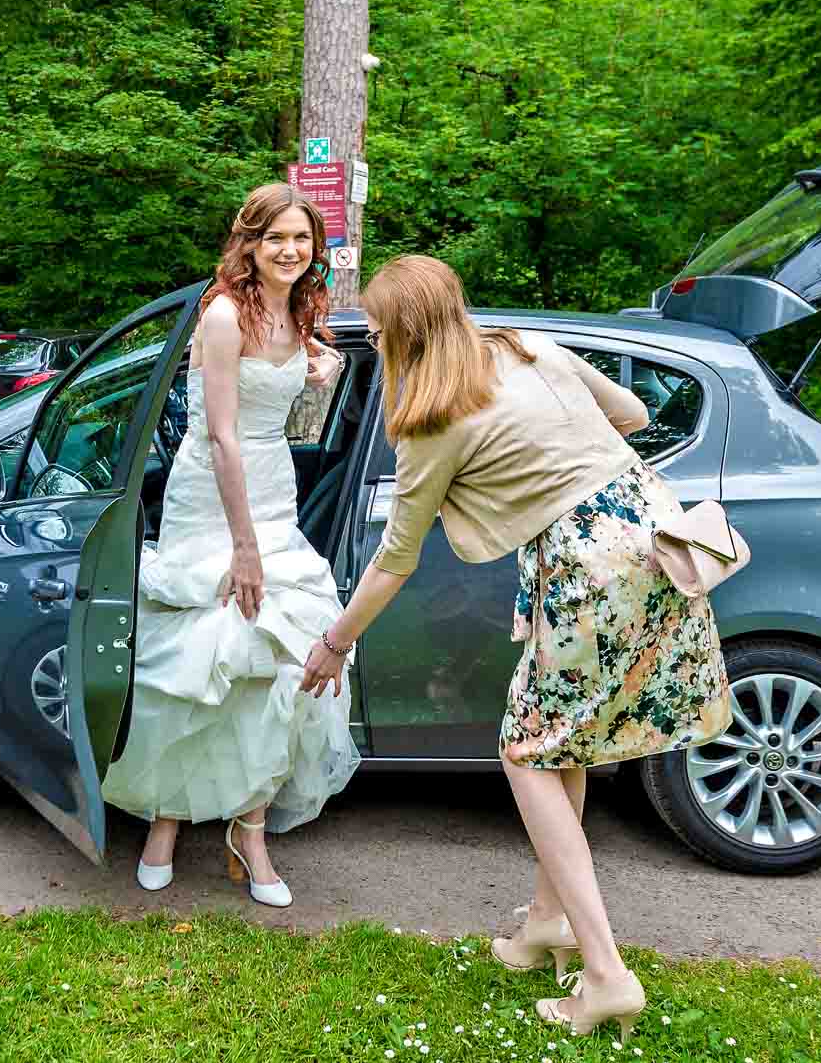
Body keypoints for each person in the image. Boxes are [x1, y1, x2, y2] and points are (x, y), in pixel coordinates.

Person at [299, 255, 731, 1044]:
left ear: (395, 336)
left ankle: (605, 972)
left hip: (585, 567)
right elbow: (632, 413)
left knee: (529, 753)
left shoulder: (432, 419)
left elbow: (395, 557)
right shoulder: (529, 346)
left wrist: (335, 643)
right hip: (651, 536)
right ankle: (547, 925)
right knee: (558, 743)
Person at [100, 183, 357, 906]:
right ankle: (167, 816)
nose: (290, 250)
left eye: (302, 239)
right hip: (212, 496)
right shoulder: (221, 315)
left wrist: (321, 375)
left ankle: (250, 829)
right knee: (199, 654)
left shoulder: (297, 310)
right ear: (249, 243)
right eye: (276, 237)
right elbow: (219, 435)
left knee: (274, 662)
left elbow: (287, 426)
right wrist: (244, 548)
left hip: (271, 485)